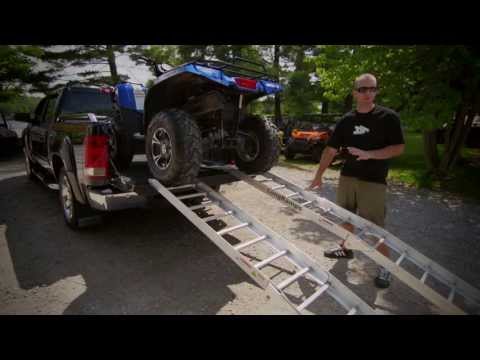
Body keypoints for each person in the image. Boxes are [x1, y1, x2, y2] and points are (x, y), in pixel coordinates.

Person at [308, 73, 405, 289]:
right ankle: (345, 248)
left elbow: (398, 147)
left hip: (373, 181)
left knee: (373, 228)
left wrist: (370, 154)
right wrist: (318, 176)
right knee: (345, 219)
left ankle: (385, 267)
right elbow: (331, 149)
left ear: (376, 91)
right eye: (363, 89)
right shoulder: (347, 120)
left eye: (372, 89)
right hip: (347, 178)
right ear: (355, 92)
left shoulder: (388, 117)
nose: (368, 93)